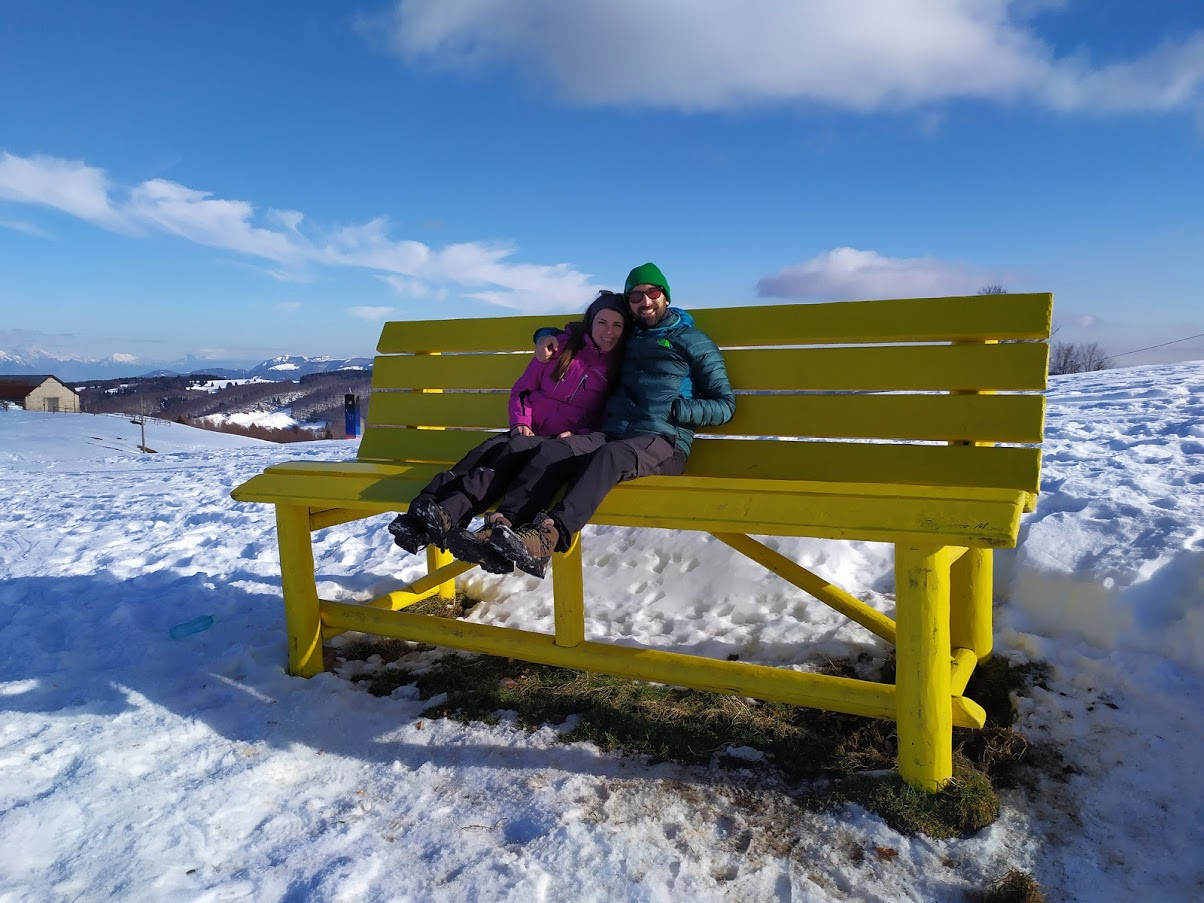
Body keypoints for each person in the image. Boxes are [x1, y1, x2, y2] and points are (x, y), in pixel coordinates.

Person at [484, 262, 736, 577]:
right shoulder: (625, 335)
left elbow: (725, 405)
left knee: (610, 455)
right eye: (636, 296)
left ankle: (548, 537)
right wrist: (544, 334)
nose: (645, 301)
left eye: (653, 292)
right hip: (612, 434)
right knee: (553, 450)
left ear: (666, 297)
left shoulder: (692, 340)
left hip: (664, 442)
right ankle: (503, 529)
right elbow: (583, 330)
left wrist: (678, 410)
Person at [387, 291, 629, 573]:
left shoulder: (619, 367)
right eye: (602, 322)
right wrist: (520, 422)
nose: (608, 332)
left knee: (513, 453)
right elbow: (523, 390)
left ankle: (470, 521)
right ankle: (431, 513)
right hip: (528, 431)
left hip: (560, 443)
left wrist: (581, 434)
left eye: (617, 325)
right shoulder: (558, 348)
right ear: (590, 321)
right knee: (490, 451)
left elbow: (609, 417)